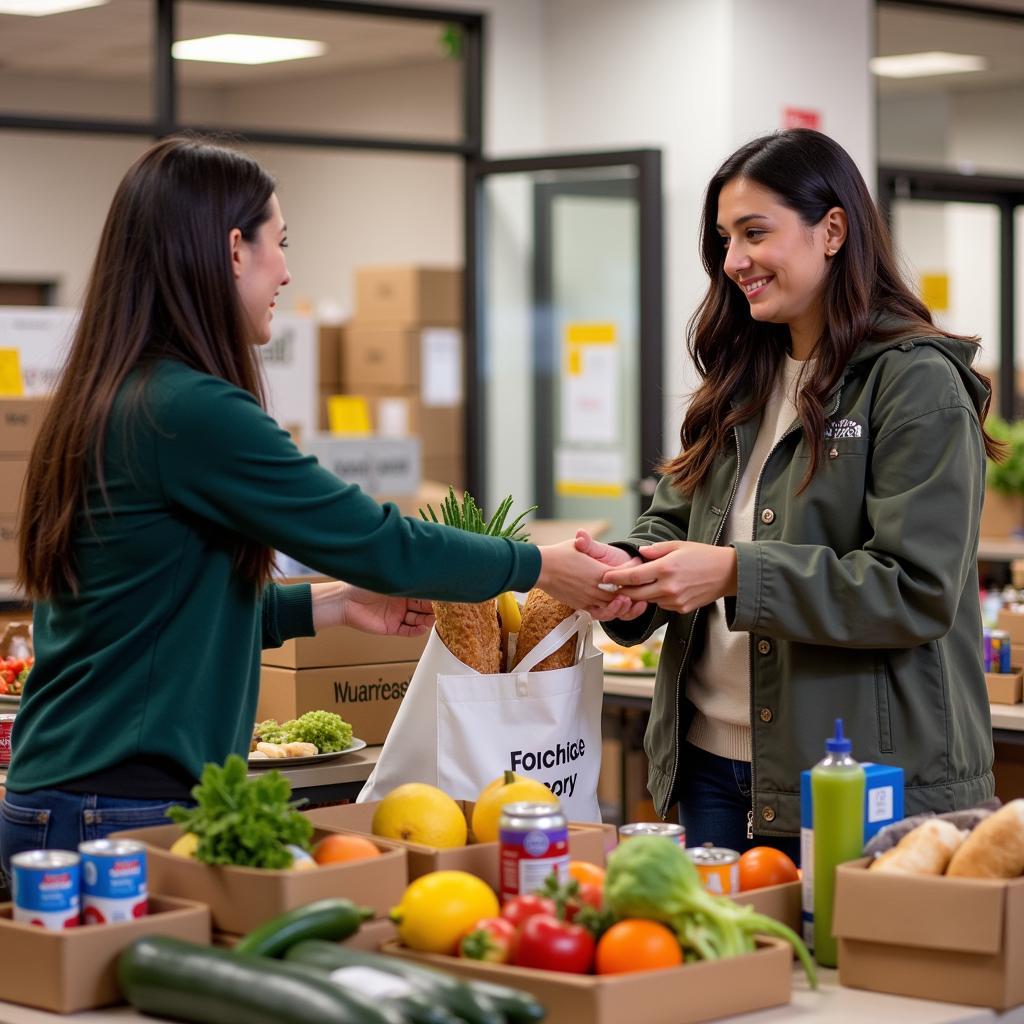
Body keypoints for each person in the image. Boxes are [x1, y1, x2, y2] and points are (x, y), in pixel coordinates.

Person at [0, 136, 614, 871]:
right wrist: (535, 566)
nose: (287, 273)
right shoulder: (188, 409)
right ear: (233, 250)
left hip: (73, 794)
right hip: (117, 807)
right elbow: (376, 540)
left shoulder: (113, 394)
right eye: (279, 244)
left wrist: (324, 607)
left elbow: (148, 612)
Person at [578, 128, 999, 862]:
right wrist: (623, 571)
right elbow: (674, 519)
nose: (734, 261)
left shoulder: (915, 383)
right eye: (724, 239)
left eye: (754, 233)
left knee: (835, 975)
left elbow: (917, 588)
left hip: (857, 782)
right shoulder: (742, 377)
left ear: (832, 229)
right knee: (729, 974)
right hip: (709, 767)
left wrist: (738, 572)